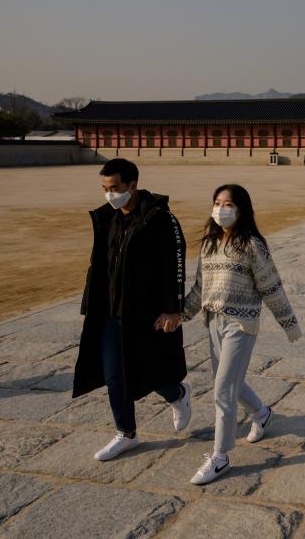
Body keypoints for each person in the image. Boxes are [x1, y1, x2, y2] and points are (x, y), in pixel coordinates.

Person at [181, 184, 302, 485]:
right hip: (213, 321)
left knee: (223, 388)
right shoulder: (209, 245)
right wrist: (181, 314)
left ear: (241, 209)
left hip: (241, 323)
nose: (221, 209)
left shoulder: (252, 245)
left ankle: (220, 456)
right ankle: (261, 414)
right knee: (229, 380)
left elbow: (271, 286)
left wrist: (289, 323)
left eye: (228, 204)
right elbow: (200, 288)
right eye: (217, 203)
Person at [73, 158, 191, 462]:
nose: (109, 195)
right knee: (115, 375)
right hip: (111, 311)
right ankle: (126, 433)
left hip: (146, 311)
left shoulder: (160, 218)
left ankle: (177, 394)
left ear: (132, 185)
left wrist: (173, 308)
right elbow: (96, 264)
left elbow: (175, 263)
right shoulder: (108, 219)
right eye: (104, 188)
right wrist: (90, 302)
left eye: (114, 188)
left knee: (151, 372)